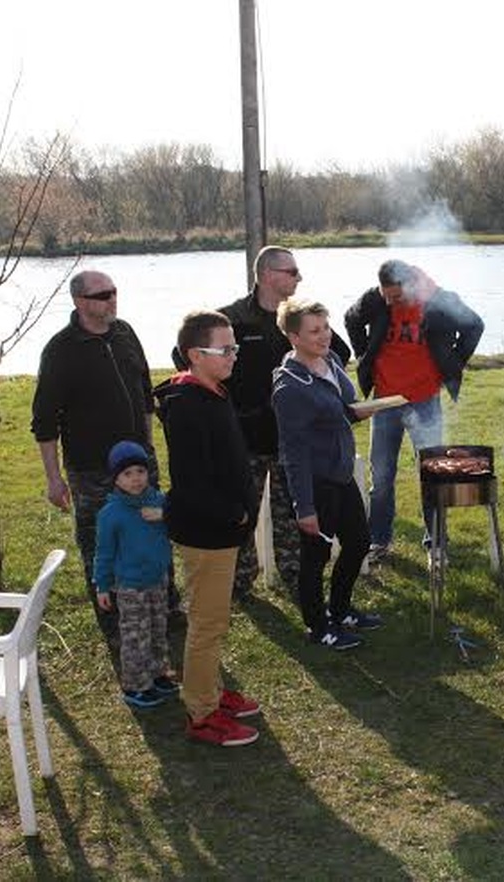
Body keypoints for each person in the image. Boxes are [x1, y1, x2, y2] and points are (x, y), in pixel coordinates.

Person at [31, 269, 162, 675]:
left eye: (113, 292)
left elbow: (144, 392)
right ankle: (113, 621)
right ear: (79, 302)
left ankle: (161, 609)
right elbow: (44, 420)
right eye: (102, 295)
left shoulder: (125, 334)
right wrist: (54, 478)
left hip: (139, 461)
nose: (111, 299)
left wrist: (149, 445)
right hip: (92, 470)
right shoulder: (61, 350)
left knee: (151, 532)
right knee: (101, 545)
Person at [207, 246, 351, 601]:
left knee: (291, 513)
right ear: (268, 275)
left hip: (294, 440)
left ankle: (296, 580)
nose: (299, 277)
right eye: (292, 272)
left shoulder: (298, 318)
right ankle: (240, 584)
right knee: (243, 512)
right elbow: (190, 358)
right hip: (246, 438)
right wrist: (228, 405)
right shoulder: (232, 319)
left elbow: (339, 353)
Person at [154, 311, 261, 747]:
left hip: (222, 529)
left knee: (214, 618)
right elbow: (191, 482)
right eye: (225, 349)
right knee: (207, 622)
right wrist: (234, 515)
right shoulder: (187, 406)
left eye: (234, 347)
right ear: (195, 355)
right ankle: (201, 712)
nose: (234, 355)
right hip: (207, 531)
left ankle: (211, 690)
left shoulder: (213, 392)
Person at [344, 259, 484, 562]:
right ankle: (379, 541)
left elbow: (474, 325)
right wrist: (365, 356)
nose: (390, 302)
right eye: (386, 296)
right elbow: (351, 319)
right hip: (384, 402)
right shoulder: (375, 299)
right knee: (381, 477)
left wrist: (452, 363)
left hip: (424, 399)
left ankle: (436, 542)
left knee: (432, 473)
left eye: (396, 297)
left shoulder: (439, 300)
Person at [273, 298, 380, 650]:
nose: (324, 336)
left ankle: (341, 609)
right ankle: (318, 627)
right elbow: (293, 453)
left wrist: (363, 410)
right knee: (315, 557)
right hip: (315, 482)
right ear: (294, 337)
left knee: (359, 542)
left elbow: (341, 409)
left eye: (326, 327)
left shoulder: (330, 359)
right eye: (314, 331)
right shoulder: (289, 389)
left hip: (341, 473)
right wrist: (304, 507)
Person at [93, 440, 178, 710]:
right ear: (116, 479)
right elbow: (104, 553)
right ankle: (136, 686)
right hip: (131, 587)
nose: (135, 479)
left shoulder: (159, 502)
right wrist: (102, 585)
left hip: (158, 580)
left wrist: (165, 515)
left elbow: (177, 524)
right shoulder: (111, 514)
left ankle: (158, 673)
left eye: (140, 471)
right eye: (127, 474)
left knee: (157, 629)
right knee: (135, 636)